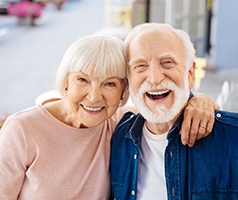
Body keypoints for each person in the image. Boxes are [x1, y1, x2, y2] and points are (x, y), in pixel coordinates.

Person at [0, 34, 216, 200]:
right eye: (82, 80)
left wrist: (201, 101)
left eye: (109, 84)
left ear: (124, 91)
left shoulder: (121, 123)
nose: (94, 97)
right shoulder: (22, 130)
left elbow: (168, 107)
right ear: (66, 82)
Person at [109, 23, 238, 200]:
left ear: (190, 73)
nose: (154, 78)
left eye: (167, 63)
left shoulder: (233, 137)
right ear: (129, 79)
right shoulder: (118, 136)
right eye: (141, 66)